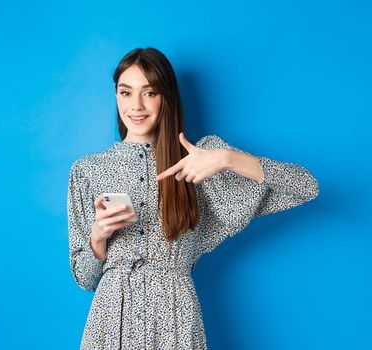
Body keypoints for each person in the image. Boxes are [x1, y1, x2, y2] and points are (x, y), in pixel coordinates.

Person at [66, 47, 319, 349]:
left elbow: (306, 186)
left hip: (176, 316)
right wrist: (98, 236)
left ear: (167, 97)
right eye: (125, 92)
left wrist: (228, 159)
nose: (136, 105)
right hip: (111, 320)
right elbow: (84, 279)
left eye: (149, 93)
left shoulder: (201, 161)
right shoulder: (88, 170)